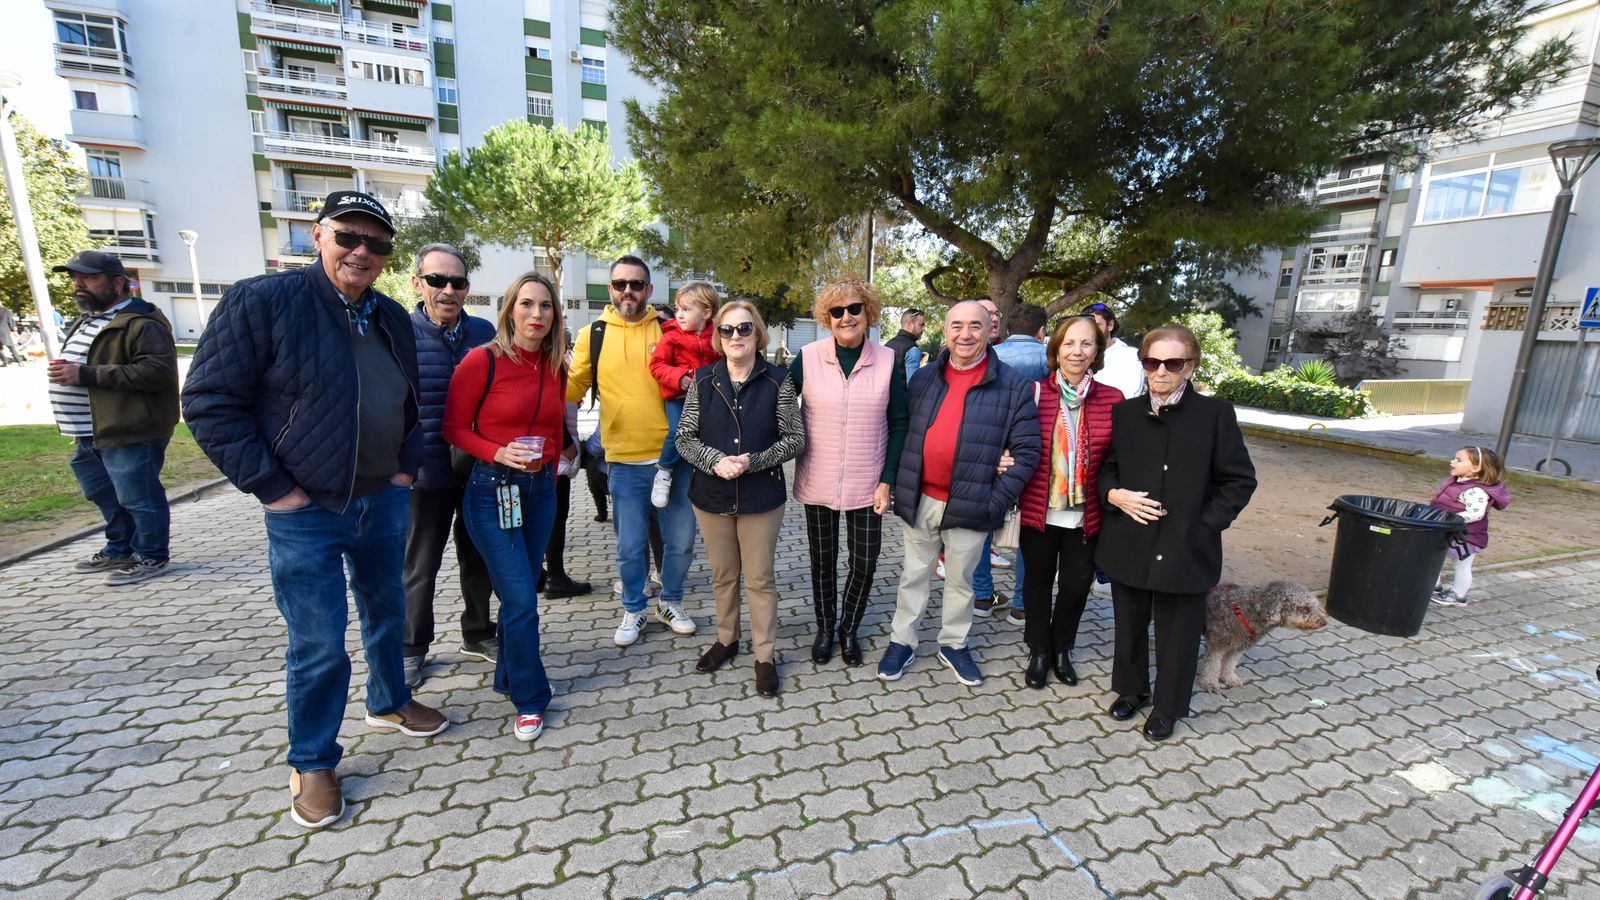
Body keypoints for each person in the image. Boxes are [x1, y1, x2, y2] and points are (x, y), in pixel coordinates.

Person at [183, 191, 448, 830]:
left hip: (383, 497)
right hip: (306, 509)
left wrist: (405, 466)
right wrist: (273, 487)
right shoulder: (264, 300)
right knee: (319, 642)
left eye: (376, 243)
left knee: (388, 611)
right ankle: (312, 759)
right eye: (347, 237)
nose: (361, 251)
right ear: (317, 234)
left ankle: (388, 701)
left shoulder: (389, 314)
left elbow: (410, 401)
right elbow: (209, 402)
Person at [1096, 324, 1256, 742]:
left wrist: (1204, 525)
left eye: (1173, 363)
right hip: (1131, 539)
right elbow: (1108, 467)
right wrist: (1113, 494)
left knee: (1178, 634)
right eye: (1152, 362)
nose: (1161, 371)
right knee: (1129, 623)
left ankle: (1168, 706)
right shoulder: (1125, 413)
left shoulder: (1215, 414)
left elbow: (1239, 480)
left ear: (1191, 366)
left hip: (1187, 547)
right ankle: (1131, 689)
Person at [879, 301, 1040, 687]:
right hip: (920, 498)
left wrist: (995, 500)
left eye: (975, 326)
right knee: (913, 575)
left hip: (973, 501)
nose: (965, 334)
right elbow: (903, 431)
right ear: (946, 329)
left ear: (990, 330)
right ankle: (902, 641)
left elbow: (1027, 452)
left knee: (961, 580)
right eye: (957, 325)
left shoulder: (1012, 385)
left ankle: (953, 643)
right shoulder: (924, 379)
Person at [444, 271, 569, 742]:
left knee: (521, 593)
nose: (537, 314)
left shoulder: (555, 365)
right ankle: (530, 699)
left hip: (539, 495)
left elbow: (554, 426)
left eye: (545, 305)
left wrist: (552, 467)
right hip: (491, 491)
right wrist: (497, 452)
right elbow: (454, 428)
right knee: (520, 600)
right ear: (510, 310)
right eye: (527, 304)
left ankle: (508, 676)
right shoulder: (483, 361)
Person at [567, 255, 699, 647]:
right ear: (611, 288)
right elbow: (571, 390)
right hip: (623, 462)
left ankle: (670, 602)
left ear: (649, 290)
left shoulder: (669, 329)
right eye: (621, 283)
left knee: (681, 543)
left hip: (673, 460)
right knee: (629, 547)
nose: (628, 291)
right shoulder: (593, 334)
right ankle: (634, 607)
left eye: (636, 284)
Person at [676, 301, 805, 696]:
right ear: (719, 336)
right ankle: (727, 639)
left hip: (761, 496)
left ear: (757, 333)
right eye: (727, 329)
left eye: (744, 328)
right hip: (711, 494)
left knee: (759, 578)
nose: (735, 336)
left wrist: (753, 462)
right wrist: (714, 461)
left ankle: (764, 657)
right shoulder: (702, 380)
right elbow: (684, 438)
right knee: (723, 575)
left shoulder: (779, 381)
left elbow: (795, 439)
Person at [791, 279, 908, 667]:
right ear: (827, 317)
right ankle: (826, 629)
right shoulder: (807, 357)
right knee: (822, 561)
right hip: (818, 478)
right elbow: (777, 404)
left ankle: (849, 629)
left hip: (869, 482)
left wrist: (888, 480)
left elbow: (900, 423)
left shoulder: (888, 360)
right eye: (837, 311)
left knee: (865, 562)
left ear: (867, 312)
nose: (846, 317)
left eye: (854, 308)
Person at [47, 250, 178, 585]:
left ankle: (152, 556)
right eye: (75, 277)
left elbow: (157, 372)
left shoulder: (141, 323)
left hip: (129, 428)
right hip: (90, 430)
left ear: (118, 283)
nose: (78, 284)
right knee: (102, 492)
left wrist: (84, 374)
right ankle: (120, 549)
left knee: (139, 497)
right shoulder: (89, 319)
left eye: (89, 278)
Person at [402, 244, 497, 688]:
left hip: (478, 470)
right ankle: (411, 648)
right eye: (437, 280)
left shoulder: (483, 332)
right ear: (417, 283)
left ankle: (478, 633)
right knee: (420, 566)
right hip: (425, 475)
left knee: (479, 558)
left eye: (457, 282)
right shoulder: (401, 332)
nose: (448, 290)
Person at [1016, 316, 1124, 688]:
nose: (1077, 351)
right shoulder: (1032, 393)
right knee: (1037, 583)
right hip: (1039, 510)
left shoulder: (1112, 399)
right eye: (1069, 343)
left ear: (1097, 350)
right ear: (1056, 349)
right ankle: (1039, 649)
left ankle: (1062, 647)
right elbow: (1014, 441)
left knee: (1077, 586)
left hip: (1087, 513)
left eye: (1086, 343)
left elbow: (1118, 458)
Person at [989, 303, 1051, 623]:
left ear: (1009, 329)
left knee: (982, 522)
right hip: (1036, 452)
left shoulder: (991, 356)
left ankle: (982, 594)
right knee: (1031, 527)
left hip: (992, 451)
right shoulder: (1049, 359)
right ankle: (1022, 604)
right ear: (1041, 331)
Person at [648, 281, 721, 508]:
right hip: (678, 397)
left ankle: (710, 474)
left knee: (711, 435)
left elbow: (724, 365)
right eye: (677, 309)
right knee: (677, 431)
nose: (679, 315)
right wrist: (679, 377)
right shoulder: (671, 336)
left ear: (706, 313)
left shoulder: (718, 336)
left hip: (708, 399)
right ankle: (664, 472)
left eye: (686, 309)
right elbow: (657, 365)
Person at [1429, 446, 1510, 608]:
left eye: (1459, 460)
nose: (1452, 462)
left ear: (1475, 468)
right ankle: (1433, 585)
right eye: (1454, 458)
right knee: (1432, 557)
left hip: (1466, 537)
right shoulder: (1458, 482)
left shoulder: (1475, 491)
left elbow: (1476, 513)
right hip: (1449, 531)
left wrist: (1450, 519)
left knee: (1462, 565)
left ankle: (1458, 595)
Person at [1088, 302, 1144, 398]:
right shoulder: (1078, 355)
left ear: (1110, 325)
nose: (1091, 331)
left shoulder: (1130, 356)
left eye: (1097, 325)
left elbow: (1128, 397)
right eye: (1088, 326)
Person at [884, 308, 925, 383]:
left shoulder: (887, 345)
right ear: (909, 324)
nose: (924, 329)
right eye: (921, 325)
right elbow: (912, 385)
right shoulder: (913, 349)